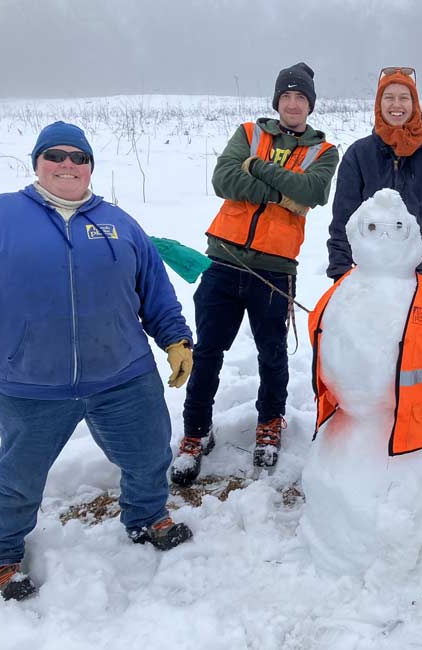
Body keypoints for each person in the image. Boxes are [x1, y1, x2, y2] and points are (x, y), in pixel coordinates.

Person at [0, 121, 195, 601]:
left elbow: (153, 288)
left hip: (123, 372)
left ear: (90, 167)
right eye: (55, 155)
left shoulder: (119, 222)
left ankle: (148, 516)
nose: (67, 164)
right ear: (37, 164)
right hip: (29, 380)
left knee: (149, 454)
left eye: (78, 157)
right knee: (19, 476)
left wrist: (175, 338)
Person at [172, 62, 339, 485]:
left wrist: (257, 168)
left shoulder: (324, 151)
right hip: (223, 259)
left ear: (310, 105)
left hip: (275, 268)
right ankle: (195, 432)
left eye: (301, 98)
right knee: (208, 350)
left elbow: (313, 192)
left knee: (272, 352)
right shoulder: (249, 133)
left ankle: (270, 423)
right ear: (277, 101)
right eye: (287, 97)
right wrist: (285, 190)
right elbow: (224, 179)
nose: (293, 104)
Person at [327, 66, 422, 290]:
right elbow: (343, 218)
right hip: (368, 274)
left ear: (414, 103)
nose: (396, 105)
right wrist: (340, 270)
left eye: (404, 97)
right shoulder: (358, 154)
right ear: (379, 104)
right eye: (388, 97)